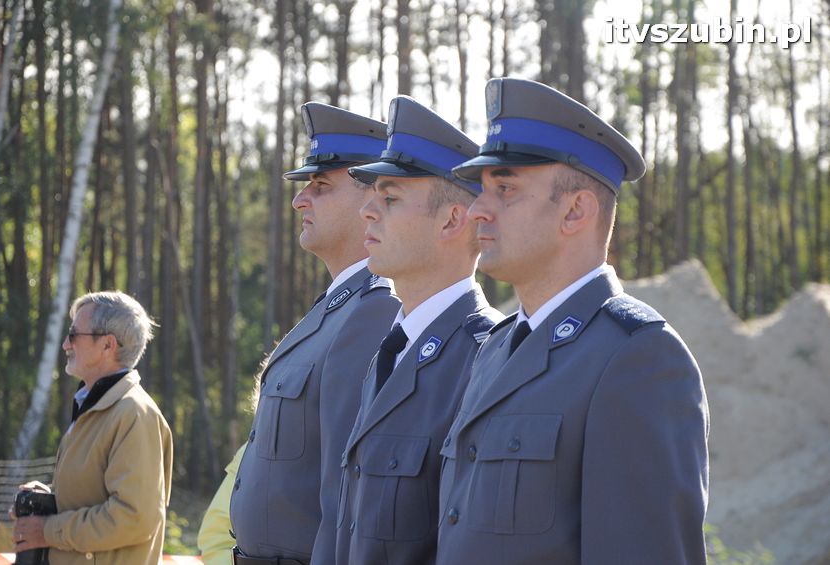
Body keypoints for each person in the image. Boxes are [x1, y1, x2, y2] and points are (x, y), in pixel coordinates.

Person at [435, 78, 710, 564]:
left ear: (575, 211)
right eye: (481, 190)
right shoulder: (497, 347)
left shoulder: (636, 358)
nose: (477, 208)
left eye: (505, 188)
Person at [229, 103, 401, 565]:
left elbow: (347, 498)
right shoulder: (337, 307)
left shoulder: (375, 310)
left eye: (321, 186)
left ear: (371, 201)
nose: (299, 200)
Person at [334, 96, 503, 565]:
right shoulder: (392, 349)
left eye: (389, 198)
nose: (368, 211)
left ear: (452, 219)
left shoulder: (483, 356)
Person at [11, 290, 173, 564]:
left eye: (74, 334)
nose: (65, 344)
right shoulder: (101, 406)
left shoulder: (134, 413)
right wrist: (51, 498)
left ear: (108, 345)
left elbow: (134, 517)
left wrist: (47, 531)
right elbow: (96, 495)